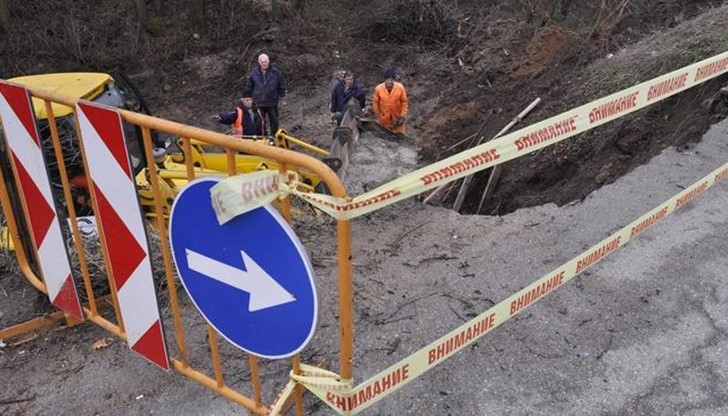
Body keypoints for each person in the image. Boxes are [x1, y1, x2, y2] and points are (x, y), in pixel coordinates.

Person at [246, 53, 286, 136]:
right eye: (262, 62)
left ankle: (274, 138)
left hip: (272, 102)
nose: (264, 63)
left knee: (274, 121)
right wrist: (247, 99)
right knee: (259, 122)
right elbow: (249, 87)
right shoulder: (254, 73)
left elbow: (281, 86)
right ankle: (262, 138)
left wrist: (283, 98)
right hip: (258, 102)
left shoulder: (276, 72)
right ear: (259, 62)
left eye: (266, 61)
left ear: (269, 61)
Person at [372, 68, 409, 134]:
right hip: (384, 120)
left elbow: (404, 102)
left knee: (400, 139)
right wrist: (378, 113)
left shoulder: (400, 88)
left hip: (397, 119)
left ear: (394, 80)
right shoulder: (378, 89)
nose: (389, 82)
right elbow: (375, 102)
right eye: (388, 80)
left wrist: (403, 115)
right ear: (385, 80)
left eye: (391, 80)